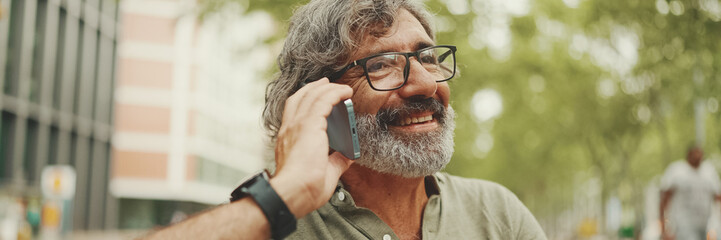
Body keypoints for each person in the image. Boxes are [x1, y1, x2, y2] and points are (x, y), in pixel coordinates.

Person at [145, 0, 546, 239]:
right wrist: (285, 195)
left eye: (427, 57)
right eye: (383, 64)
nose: (425, 83)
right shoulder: (268, 222)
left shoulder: (497, 212)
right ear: (321, 99)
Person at [660, 146, 721, 240]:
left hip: (705, 224)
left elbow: (718, 197)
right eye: (695, 154)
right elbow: (664, 200)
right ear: (688, 155)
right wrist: (664, 228)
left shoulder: (709, 172)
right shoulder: (676, 171)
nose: (698, 157)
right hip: (682, 225)